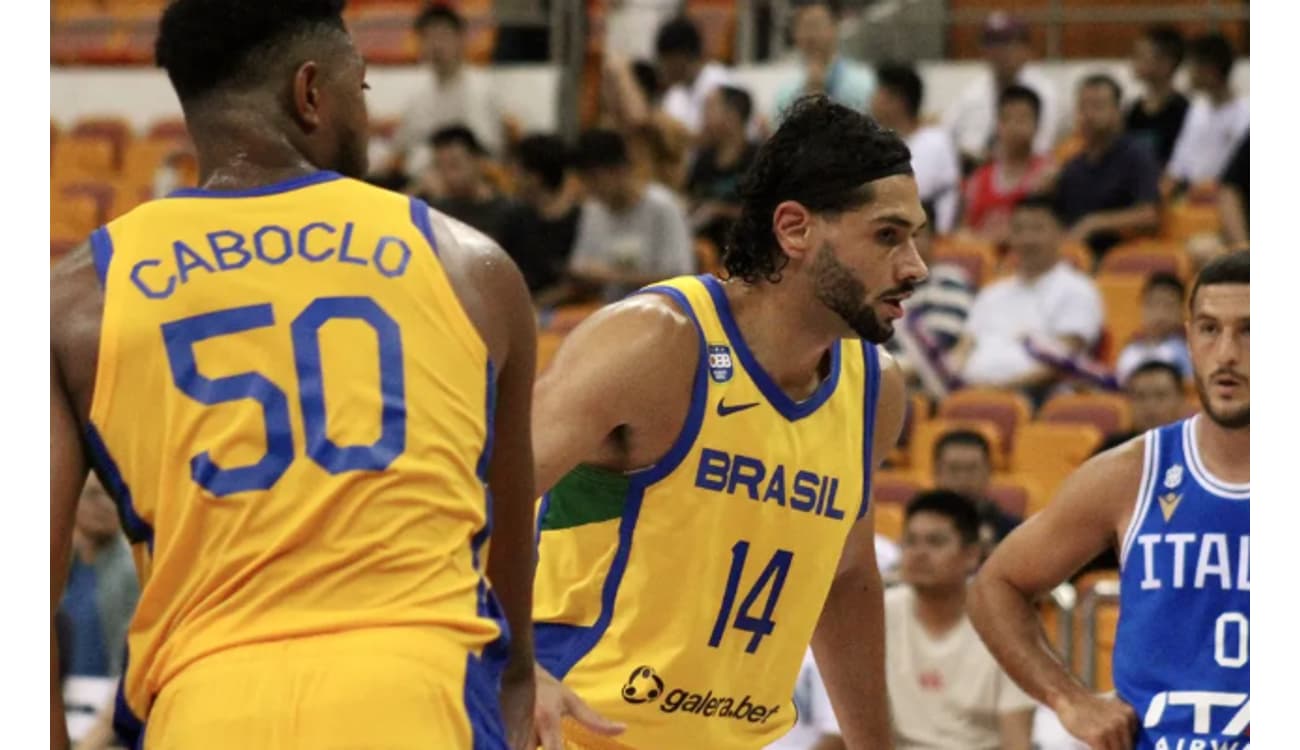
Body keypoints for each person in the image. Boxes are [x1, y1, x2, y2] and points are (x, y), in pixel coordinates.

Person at [50, 2, 539, 748]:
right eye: (362, 90)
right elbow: (505, 536)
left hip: (204, 705)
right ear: (310, 93)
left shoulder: (76, 298)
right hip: (418, 695)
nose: (368, 116)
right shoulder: (471, 266)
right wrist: (519, 683)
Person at [530, 96, 927, 750]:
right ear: (796, 229)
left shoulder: (873, 388)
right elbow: (469, 505)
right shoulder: (657, 343)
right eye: (888, 235)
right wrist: (510, 664)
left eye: (916, 236)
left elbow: (846, 576)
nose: (916, 266)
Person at [970, 251, 1248, 750]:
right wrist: (1069, 698)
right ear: (1189, 338)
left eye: (1250, 330)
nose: (1227, 352)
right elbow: (996, 585)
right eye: (1209, 329)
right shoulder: (1133, 473)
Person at [809, 492, 1036, 750]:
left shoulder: (1005, 624)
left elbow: (1017, 742)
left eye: (935, 542)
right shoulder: (876, 614)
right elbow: (841, 733)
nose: (919, 553)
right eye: (911, 541)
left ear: (972, 555)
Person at [951, 195, 1104, 401]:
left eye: (1037, 229)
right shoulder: (992, 293)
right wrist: (952, 381)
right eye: (1019, 230)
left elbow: (1062, 362)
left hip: (1035, 396)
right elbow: (963, 348)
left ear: (1061, 233)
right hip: (971, 393)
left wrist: (995, 390)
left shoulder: (1078, 289)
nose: (1027, 239)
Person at [58, 475, 140, 747]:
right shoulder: (59, 566)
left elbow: (135, 663)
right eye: (94, 494)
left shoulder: (132, 570)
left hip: (109, 717)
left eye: (114, 497)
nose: (105, 504)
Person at [568, 128, 695, 302]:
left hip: (660, 310)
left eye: (595, 178)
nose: (591, 188)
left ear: (621, 170)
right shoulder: (594, 210)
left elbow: (680, 277)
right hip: (608, 310)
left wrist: (612, 275)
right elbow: (581, 266)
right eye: (585, 180)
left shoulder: (663, 208)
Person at [1055, 74, 1161, 258]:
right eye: (1082, 107)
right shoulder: (1072, 165)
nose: (1088, 115)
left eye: (1097, 106)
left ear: (1118, 111)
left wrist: (1094, 223)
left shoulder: (1137, 155)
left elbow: (1149, 215)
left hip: (1124, 255)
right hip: (1075, 256)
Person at [389, 3, 503, 174]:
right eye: (428, 37)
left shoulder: (483, 90)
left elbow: (490, 152)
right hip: (420, 184)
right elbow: (400, 149)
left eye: (443, 36)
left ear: (461, 38)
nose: (436, 46)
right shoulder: (417, 96)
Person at [943, 12, 1059, 171]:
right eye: (991, 44)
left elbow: (1042, 147)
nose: (998, 52)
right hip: (971, 173)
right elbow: (946, 137)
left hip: (1025, 176)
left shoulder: (1044, 92)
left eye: (1006, 43)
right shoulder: (970, 93)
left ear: (1025, 49)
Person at [870, 64, 961, 234]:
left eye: (878, 94)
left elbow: (947, 195)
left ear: (897, 101)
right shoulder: (872, 145)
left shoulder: (936, 142)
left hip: (929, 233)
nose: (872, 100)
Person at [960, 85, 1053, 246]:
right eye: (1006, 119)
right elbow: (962, 232)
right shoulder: (978, 179)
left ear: (1037, 125)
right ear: (997, 125)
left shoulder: (1048, 175)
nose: (1013, 126)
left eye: (1022, 119)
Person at [500, 133, 583, 305]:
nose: (512, 179)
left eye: (516, 172)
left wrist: (538, 303)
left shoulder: (581, 219)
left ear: (534, 177)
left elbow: (579, 281)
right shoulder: (514, 219)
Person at [1166, 34, 1249, 189]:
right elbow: (1178, 164)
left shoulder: (1246, 113)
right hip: (1192, 196)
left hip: (1227, 196)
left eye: (1191, 67)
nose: (1188, 74)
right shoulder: (1196, 109)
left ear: (1210, 70)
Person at [772, 0, 875, 122]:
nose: (810, 35)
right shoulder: (786, 90)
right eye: (803, 26)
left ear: (835, 26)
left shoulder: (863, 83)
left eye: (816, 25)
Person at [687, 85, 759, 258]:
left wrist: (720, 211)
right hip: (702, 252)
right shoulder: (703, 160)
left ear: (732, 116)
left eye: (709, 109)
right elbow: (690, 198)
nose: (703, 118)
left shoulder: (760, 158)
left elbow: (767, 213)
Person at [932, 430, 1021, 558]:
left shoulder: (1012, 530)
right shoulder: (919, 527)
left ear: (988, 472)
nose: (963, 478)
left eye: (971, 469)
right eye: (954, 469)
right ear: (937, 473)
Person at [423, 124, 517, 244]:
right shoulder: (436, 213)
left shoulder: (510, 212)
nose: (448, 176)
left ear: (477, 160)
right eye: (440, 166)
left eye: (454, 165)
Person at [656, 15, 734, 137]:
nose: (663, 68)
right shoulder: (673, 95)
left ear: (681, 56)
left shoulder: (721, 82)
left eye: (665, 61)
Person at [1125, 25, 1189, 168]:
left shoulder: (1184, 112)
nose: (1134, 61)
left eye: (1141, 55)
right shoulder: (1133, 111)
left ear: (1166, 63)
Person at [1114, 272, 1193, 386]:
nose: (1160, 313)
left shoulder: (1188, 351)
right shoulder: (1129, 349)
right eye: (1152, 304)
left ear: (1182, 310)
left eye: (1168, 305)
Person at [1096, 360, 1189, 454]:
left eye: (1161, 396)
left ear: (1181, 401)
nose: (1150, 406)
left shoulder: (1194, 448)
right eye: (1140, 396)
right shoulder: (1112, 449)